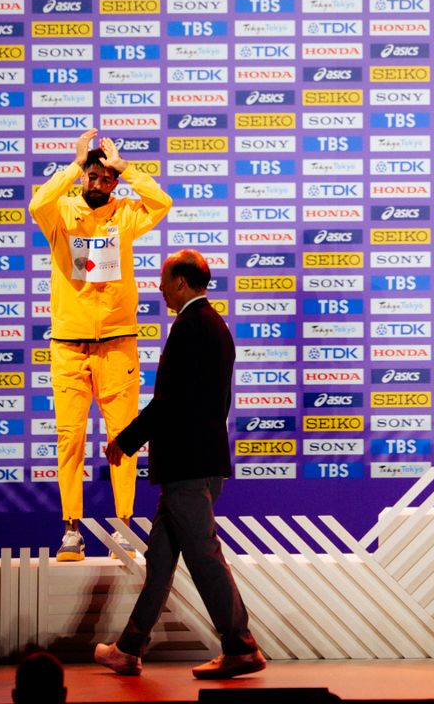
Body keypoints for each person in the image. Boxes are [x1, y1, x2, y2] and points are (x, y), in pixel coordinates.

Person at [92, 249, 264, 680]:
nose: (159, 287)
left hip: (187, 466)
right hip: (199, 463)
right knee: (161, 558)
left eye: (164, 279)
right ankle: (128, 648)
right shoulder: (214, 325)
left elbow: (170, 401)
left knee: (203, 556)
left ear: (182, 284)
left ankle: (240, 645)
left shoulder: (191, 327)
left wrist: (126, 440)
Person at [28, 128, 173, 560]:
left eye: (105, 177)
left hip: (117, 344)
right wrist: (73, 165)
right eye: (92, 175)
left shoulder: (126, 213)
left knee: (123, 439)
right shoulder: (60, 212)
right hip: (69, 346)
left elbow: (162, 203)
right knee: (69, 438)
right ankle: (70, 528)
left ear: (113, 181)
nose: (97, 183)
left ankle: (124, 528)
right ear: (83, 176)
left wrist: (127, 168)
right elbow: (37, 202)